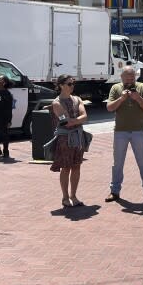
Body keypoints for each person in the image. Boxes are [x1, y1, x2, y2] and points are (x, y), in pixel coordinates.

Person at [104, 66, 143, 204]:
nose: (130, 81)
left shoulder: (142, 87)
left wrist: (138, 98)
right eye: (127, 79)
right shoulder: (115, 88)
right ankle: (114, 191)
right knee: (117, 163)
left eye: (132, 78)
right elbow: (109, 107)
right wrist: (121, 99)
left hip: (139, 131)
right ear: (121, 78)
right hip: (120, 131)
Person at [49, 74, 89, 207]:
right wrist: (77, 120)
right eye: (69, 84)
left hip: (78, 137)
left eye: (73, 84)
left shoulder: (77, 99)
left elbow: (84, 116)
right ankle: (65, 197)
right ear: (61, 85)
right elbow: (66, 122)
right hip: (65, 139)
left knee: (76, 166)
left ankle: (74, 196)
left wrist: (76, 120)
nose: (72, 86)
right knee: (66, 168)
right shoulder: (57, 102)